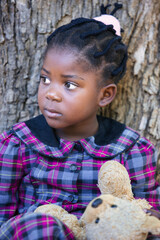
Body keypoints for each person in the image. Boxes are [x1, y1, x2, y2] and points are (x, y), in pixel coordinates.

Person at [0, 13, 159, 240]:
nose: (51, 93)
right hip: (37, 234)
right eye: (45, 79)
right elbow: (2, 218)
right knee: (41, 225)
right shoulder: (17, 143)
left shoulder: (132, 149)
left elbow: (147, 216)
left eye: (69, 84)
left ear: (104, 95)